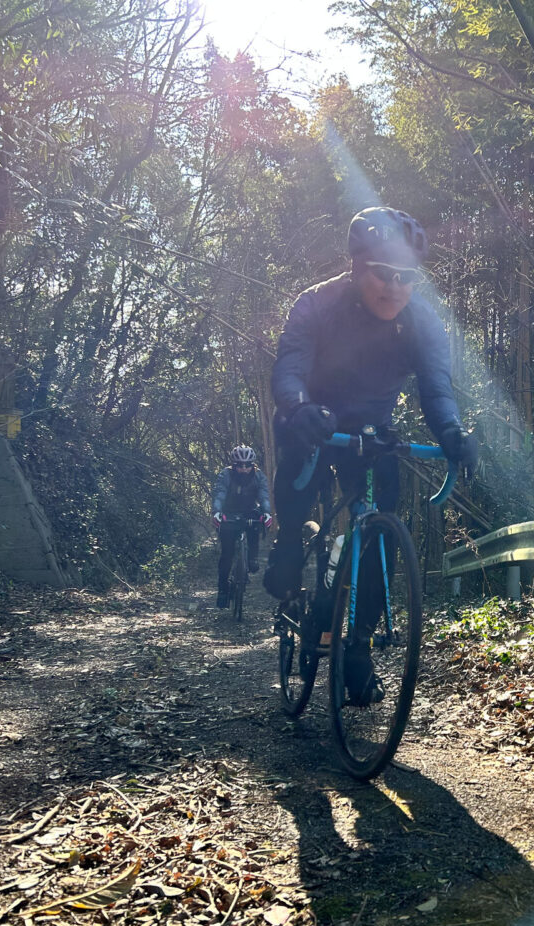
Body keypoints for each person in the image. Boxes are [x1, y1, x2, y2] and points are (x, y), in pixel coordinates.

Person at [262, 206, 478, 701]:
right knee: (296, 441)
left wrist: (451, 431)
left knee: (381, 534)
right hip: (313, 417)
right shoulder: (316, 304)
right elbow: (289, 368)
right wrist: (298, 407)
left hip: (372, 430)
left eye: (407, 276)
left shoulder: (422, 321)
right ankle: (290, 542)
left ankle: (357, 649)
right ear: (358, 268)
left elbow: (436, 389)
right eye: (384, 273)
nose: (395, 287)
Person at [211, 444, 272, 609]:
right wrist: (217, 512)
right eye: (240, 465)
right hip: (228, 513)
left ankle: (252, 558)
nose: (244, 469)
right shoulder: (226, 474)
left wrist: (267, 513)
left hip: (249, 511)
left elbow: (264, 496)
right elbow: (220, 493)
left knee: (255, 528)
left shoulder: (258, 476)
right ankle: (223, 590)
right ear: (234, 465)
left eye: (248, 465)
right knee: (227, 555)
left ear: (253, 464)